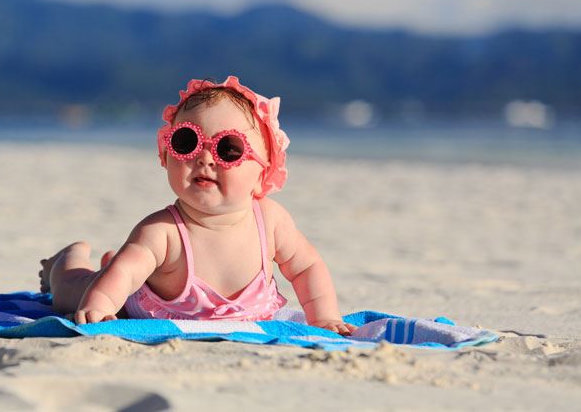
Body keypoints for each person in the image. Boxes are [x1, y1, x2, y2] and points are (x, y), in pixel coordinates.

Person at [39, 76, 356, 335]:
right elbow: (125, 273)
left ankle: (102, 263)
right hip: (133, 295)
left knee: (117, 268)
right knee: (73, 293)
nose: (204, 158)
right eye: (186, 142)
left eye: (228, 150)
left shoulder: (271, 221)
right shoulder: (162, 231)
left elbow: (306, 267)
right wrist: (103, 306)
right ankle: (65, 262)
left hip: (155, 281)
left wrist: (323, 317)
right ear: (166, 156)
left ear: (263, 175)